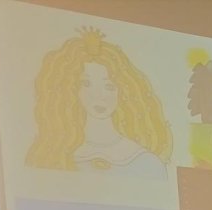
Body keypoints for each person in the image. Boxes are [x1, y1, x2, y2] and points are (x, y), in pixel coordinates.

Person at [26, 27, 171, 178]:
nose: (99, 96)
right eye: (86, 84)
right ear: (70, 90)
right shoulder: (51, 156)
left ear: (123, 92)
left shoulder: (146, 162)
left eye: (109, 86)